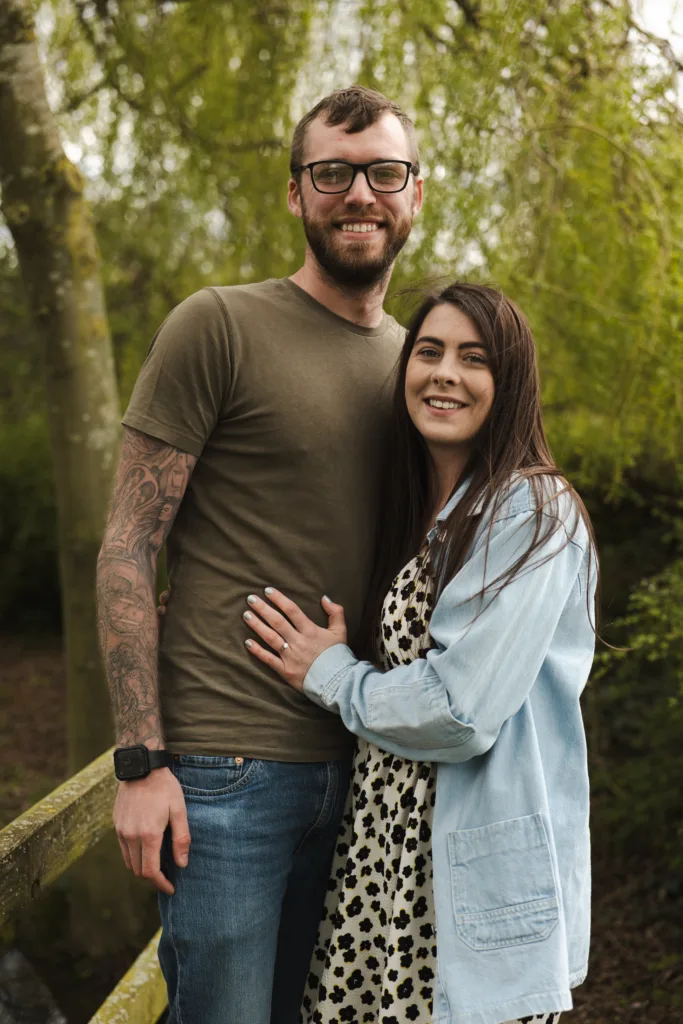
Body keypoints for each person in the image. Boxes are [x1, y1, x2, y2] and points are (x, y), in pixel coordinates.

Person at [96, 86, 423, 1024]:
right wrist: (138, 762)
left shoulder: (418, 367)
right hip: (222, 773)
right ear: (295, 193)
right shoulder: (219, 324)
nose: (359, 193)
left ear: (413, 193)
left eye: (382, 173)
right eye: (332, 173)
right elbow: (127, 548)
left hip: (366, 771)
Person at [242, 283, 597, 1024]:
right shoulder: (423, 512)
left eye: (474, 359)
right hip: (378, 870)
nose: (444, 373)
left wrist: (330, 674)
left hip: (457, 890)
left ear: (510, 385)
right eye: (428, 351)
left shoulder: (532, 511)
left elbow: (459, 713)